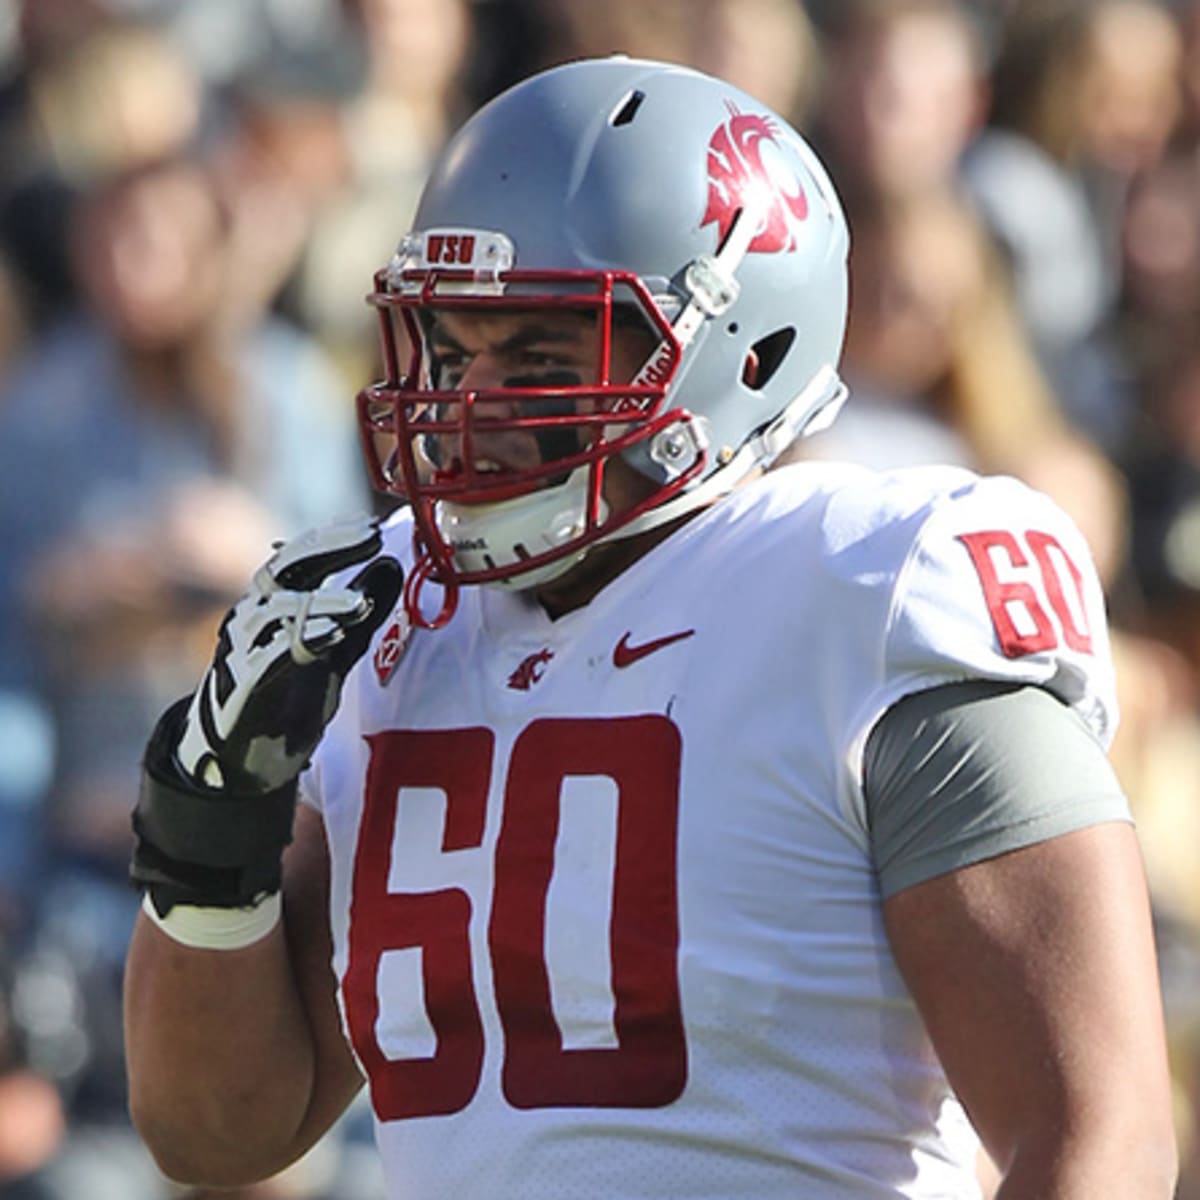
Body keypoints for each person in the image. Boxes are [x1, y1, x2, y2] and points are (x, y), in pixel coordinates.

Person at [122, 56, 1178, 1198]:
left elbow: (1097, 1136)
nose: (471, 402)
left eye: (539, 353)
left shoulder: (871, 588)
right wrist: (214, 820)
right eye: (449, 343)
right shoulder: (387, 616)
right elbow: (217, 1134)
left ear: (743, 350)